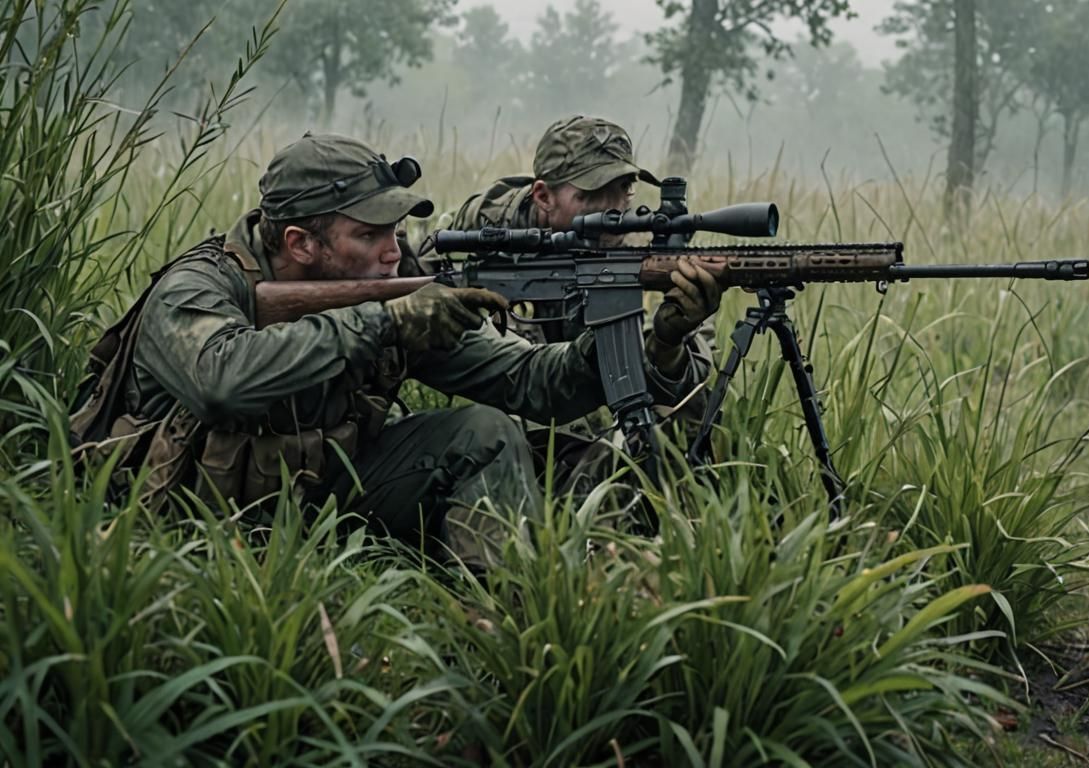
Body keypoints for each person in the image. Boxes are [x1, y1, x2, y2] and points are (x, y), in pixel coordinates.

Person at [68, 132, 720, 569]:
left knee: (486, 433)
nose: (395, 248)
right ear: (300, 243)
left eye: (399, 228)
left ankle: (511, 622)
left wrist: (652, 344)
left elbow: (530, 384)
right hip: (182, 519)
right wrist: (385, 323)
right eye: (373, 232)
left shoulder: (390, 279)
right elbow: (223, 380)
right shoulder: (197, 286)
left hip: (323, 491)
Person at [418, 116, 720, 487]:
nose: (614, 210)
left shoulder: (645, 251)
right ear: (543, 196)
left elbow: (689, 387)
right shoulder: (481, 234)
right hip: (505, 426)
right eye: (592, 193)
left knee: (681, 429)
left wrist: (668, 343)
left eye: (625, 187)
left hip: (600, 419)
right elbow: (416, 290)